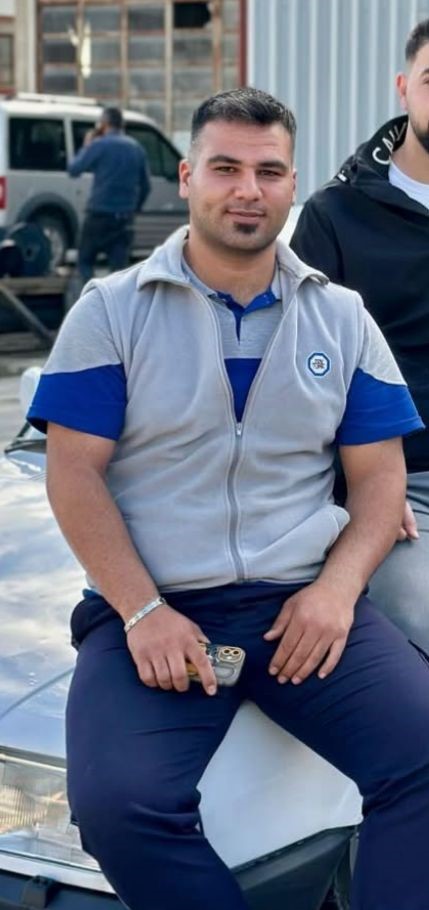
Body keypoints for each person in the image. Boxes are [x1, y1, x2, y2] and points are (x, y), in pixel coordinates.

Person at [28, 88, 429, 910]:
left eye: (268, 172)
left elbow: (379, 478)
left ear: (292, 185)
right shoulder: (111, 312)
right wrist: (142, 610)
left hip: (300, 606)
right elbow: (73, 474)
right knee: (119, 807)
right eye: (225, 168)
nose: (248, 190)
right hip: (159, 610)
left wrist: (335, 590)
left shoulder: (341, 318)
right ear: (187, 178)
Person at [291, 19, 429, 651]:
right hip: (405, 485)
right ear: (403, 87)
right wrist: (368, 484)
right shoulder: (336, 215)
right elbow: (297, 369)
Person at [68, 106, 151, 282]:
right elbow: (146, 186)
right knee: (119, 273)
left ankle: (89, 294)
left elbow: (74, 169)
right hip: (124, 219)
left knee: (85, 262)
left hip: (98, 215)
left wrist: (86, 146)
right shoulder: (136, 148)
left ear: (103, 124)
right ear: (122, 124)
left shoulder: (99, 145)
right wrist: (135, 208)